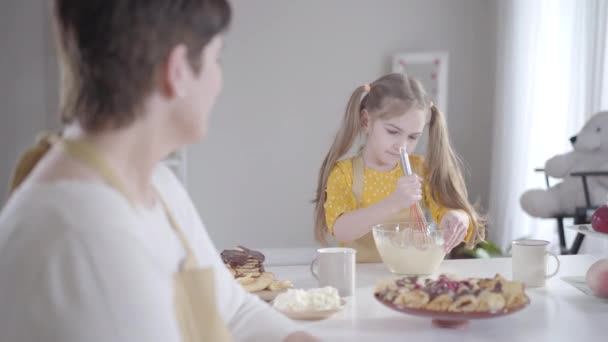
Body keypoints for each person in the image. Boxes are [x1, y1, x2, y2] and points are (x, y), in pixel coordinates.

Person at [0, 1, 316, 341]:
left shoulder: (157, 184)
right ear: (177, 71)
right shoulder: (80, 236)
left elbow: (235, 311)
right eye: (216, 59)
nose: (218, 81)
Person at [313, 73, 485, 263]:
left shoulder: (420, 168)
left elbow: (446, 209)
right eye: (393, 132)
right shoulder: (344, 173)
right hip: (359, 277)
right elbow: (342, 231)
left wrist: (457, 217)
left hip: (409, 274)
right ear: (366, 121)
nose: (402, 145)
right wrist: (394, 202)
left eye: (413, 137)